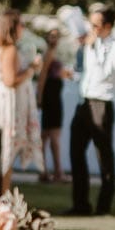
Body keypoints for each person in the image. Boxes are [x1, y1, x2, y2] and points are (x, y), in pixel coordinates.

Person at [69, 6, 115, 216]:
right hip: (84, 102)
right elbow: (85, 72)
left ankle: (104, 206)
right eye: (90, 24)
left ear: (107, 27)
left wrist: (94, 49)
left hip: (102, 104)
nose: (91, 29)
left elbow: (106, 74)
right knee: (76, 152)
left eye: (95, 25)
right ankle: (80, 204)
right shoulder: (87, 46)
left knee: (103, 156)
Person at [0, 9, 42, 193]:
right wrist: (32, 68)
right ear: (13, 27)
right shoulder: (9, 50)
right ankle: (3, 195)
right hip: (7, 105)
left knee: (0, 151)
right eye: (21, 24)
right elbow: (10, 81)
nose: (23, 28)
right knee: (6, 153)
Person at [38, 28, 68, 183]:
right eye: (52, 36)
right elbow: (42, 76)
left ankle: (46, 171)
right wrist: (40, 96)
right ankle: (57, 172)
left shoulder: (54, 54)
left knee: (46, 136)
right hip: (51, 98)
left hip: (54, 95)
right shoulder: (49, 54)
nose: (54, 39)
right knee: (52, 136)